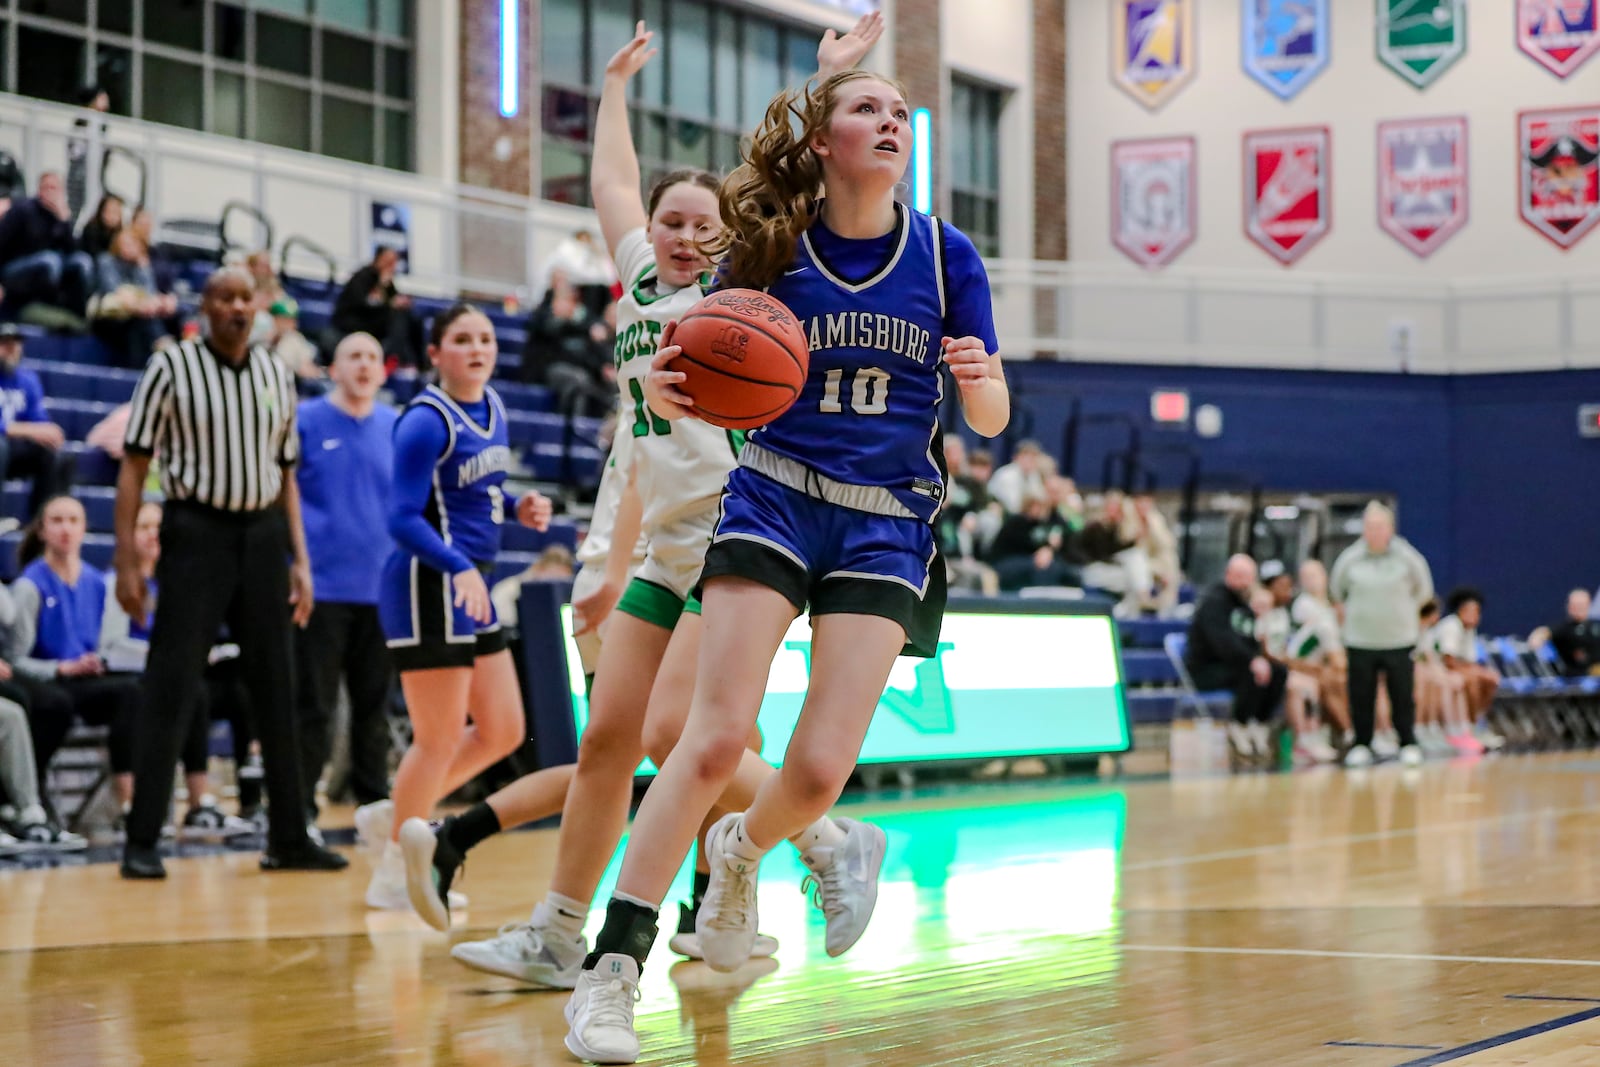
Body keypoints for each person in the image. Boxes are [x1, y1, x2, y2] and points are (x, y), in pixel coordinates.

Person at [561, 39, 1010, 1063]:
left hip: (886, 519)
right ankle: (609, 973)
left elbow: (988, 415)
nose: (889, 122)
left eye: (897, 111)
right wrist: (666, 382)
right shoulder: (773, 244)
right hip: (772, 494)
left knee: (812, 772)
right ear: (822, 141)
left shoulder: (947, 256)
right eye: (865, 109)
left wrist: (982, 382)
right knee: (710, 739)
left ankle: (743, 845)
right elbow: (684, 358)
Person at [436, 19, 886, 982]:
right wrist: (612, 92)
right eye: (671, 221)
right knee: (607, 738)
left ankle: (825, 835)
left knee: (678, 736)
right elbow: (611, 182)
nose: (685, 236)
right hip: (663, 542)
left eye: (703, 223)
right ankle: (559, 933)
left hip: (735, 536)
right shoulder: (641, 281)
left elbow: (795, 188)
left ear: (728, 234)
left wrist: (827, 81)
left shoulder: (745, 289)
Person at [115, 267, 347, 879]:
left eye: (246, 297)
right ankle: (143, 840)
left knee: (277, 685)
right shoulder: (171, 366)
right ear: (207, 305)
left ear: (258, 307)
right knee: (171, 682)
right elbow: (134, 466)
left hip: (264, 536)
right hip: (195, 533)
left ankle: (290, 836)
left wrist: (300, 561)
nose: (237, 307)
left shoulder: (275, 371)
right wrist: (126, 561)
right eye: (225, 297)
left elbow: (287, 475)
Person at [363, 303, 561, 918]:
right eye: (462, 339)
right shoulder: (424, 421)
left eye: (485, 338)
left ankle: (398, 813)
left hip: (469, 582)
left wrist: (518, 504)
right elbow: (402, 518)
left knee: (502, 729)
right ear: (435, 353)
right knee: (440, 736)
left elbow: (476, 490)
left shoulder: (494, 406)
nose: (477, 348)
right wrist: (457, 569)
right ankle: (393, 870)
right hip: (428, 583)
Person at [99, 500, 257, 836]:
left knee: (235, 692)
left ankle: (228, 800)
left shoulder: (180, 580)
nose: (152, 534)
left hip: (177, 674)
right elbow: (111, 646)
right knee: (147, 695)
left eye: (157, 527)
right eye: (143, 527)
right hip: (133, 674)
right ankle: (130, 806)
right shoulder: (117, 582)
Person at [293, 333, 397, 835]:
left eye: (372, 357)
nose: (364, 365)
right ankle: (299, 815)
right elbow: (284, 496)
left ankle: (374, 812)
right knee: (313, 706)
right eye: (354, 356)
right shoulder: (305, 420)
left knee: (374, 709)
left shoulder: (395, 425)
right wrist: (294, 566)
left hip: (381, 590)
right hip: (321, 589)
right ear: (333, 369)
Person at [6, 497, 143, 817]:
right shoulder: (29, 586)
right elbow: (14, 659)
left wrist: (98, 661)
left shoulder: (97, 583)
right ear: (42, 531)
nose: (65, 529)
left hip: (84, 679)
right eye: (57, 521)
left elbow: (105, 643)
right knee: (56, 705)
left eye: (73, 520)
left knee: (133, 692)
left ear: (84, 529)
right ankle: (30, 794)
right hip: (46, 678)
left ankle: (128, 800)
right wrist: (61, 668)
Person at [1329, 501, 1433, 769]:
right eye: (1369, 526)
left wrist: (1402, 613)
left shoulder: (1408, 558)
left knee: (1402, 695)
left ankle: (1407, 743)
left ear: (1391, 528)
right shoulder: (1349, 559)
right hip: (1360, 640)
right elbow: (1337, 592)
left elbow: (1424, 591)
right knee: (1361, 695)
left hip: (1399, 639)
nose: (1374, 531)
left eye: (1379, 526)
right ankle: (1362, 744)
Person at [1184, 554, 1286, 768]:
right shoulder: (1214, 602)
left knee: (1277, 671)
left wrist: (1259, 657)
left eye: (1248, 576)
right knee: (1250, 672)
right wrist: (1252, 660)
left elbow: (1251, 639)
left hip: (1235, 665)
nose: (1243, 581)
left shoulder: (1247, 605)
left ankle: (1259, 722)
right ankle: (1239, 724)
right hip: (1207, 669)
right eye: (1238, 576)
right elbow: (1223, 643)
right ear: (1228, 574)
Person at [0, 323, 76, 520]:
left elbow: (40, 422)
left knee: (54, 455)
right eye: (5, 343)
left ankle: (40, 523)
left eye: (16, 343)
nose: (11, 349)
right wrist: (27, 430)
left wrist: (48, 431)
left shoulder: (28, 380)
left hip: (14, 449)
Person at [0, 172, 95, 316]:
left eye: (54, 188)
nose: (50, 192)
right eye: (47, 187)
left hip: (51, 265)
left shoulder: (60, 214)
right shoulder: (23, 209)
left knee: (83, 261)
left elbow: (73, 250)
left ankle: (79, 314)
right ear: (39, 190)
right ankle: (41, 308)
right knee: (50, 261)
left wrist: (64, 221)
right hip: (16, 267)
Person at [92, 227, 178, 368]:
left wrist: (144, 268)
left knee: (147, 319)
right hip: (109, 316)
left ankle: (153, 358)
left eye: (132, 244)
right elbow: (113, 291)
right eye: (125, 244)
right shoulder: (107, 261)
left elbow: (150, 292)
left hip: (137, 316)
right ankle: (162, 344)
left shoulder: (140, 265)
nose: (128, 248)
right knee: (143, 320)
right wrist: (140, 304)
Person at [332, 247, 424, 371]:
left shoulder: (388, 281)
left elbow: (392, 300)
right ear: (378, 259)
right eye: (388, 260)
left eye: (394, 262)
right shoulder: (362, 276)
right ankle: (394, 360)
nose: (391, 265)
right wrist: (383, 289)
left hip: (377, 323)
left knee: (412, 317)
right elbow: (365, 305)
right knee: (397, 317)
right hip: (356, 322)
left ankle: (418, 363)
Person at [1531, 589, 1600, 677]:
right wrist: (1537, 637)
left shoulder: (1596, 625)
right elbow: (1543, 633)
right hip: (1576, 676)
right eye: (1575, 605)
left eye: (1582, 605)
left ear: (1589, 605)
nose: (1579, 608)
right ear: (1569, 607)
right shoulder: (1564, 628)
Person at [78, 193, 124, 260]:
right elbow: (94, 253)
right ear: (101, 211)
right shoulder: (91, 228)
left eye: (115, 212)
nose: (111, 216)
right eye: (108, 211)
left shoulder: (120, 233)